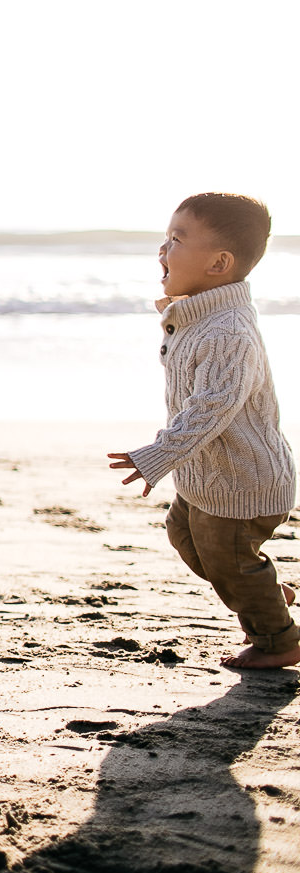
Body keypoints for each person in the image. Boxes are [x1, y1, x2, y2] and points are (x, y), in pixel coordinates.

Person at [108, 192, 298, 669]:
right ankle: (262, 592)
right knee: (185, 537)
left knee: (227, 558)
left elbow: (210, 409)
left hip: (243, 479)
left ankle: (278, 639)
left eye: (176, 240)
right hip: (208, 476)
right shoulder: (198, 316)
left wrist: (156, 456)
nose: (162, 250)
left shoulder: (227, 331)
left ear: (219, 262)